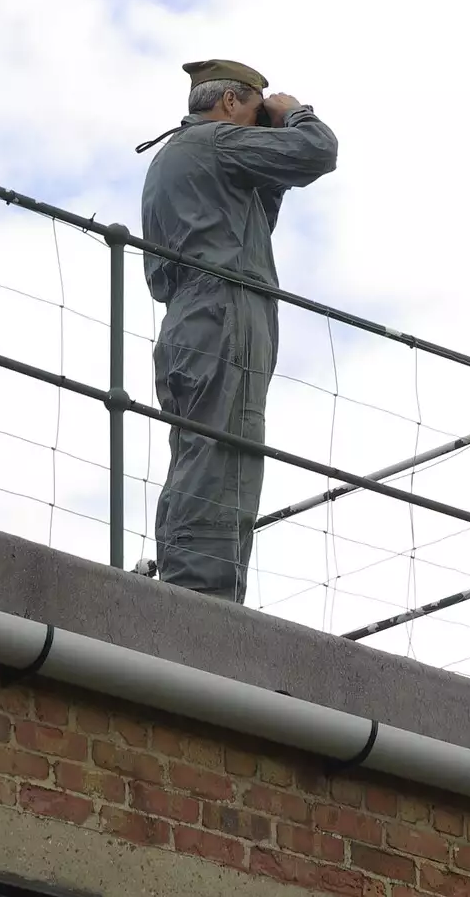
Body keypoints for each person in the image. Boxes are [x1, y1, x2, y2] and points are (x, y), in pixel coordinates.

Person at [136, 59, 338, 603]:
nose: (257, 121)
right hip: (226, 307)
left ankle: (184, 579)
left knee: (200, 448)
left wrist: (268, 143)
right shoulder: (218, 142)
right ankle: (205, 595)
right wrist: (295, 114)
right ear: (229, 103)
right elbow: (319, 150)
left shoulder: (179, 157)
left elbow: (251, 218)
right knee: (228, 449)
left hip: (188, 315)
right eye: (254, 108)